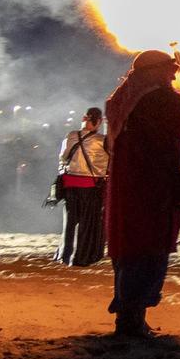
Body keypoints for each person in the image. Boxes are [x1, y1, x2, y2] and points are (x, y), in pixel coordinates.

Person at [103, 50, 180, 338]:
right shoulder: (157, 98)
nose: (173, 74)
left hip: (130, 185)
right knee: (147, 251)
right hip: (150, 186)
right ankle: (132, 321)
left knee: (131, 252)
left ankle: (130, 318)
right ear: (154, 71)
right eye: (168, 69)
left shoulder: (125, 97)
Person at [56, 107, 109, 267]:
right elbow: (110, 159)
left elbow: (63, 157)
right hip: (90, 186)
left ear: (84, 118)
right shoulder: (102, 140)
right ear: (99, 121)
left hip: (70, 184)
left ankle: (65, 254)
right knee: (88, 223)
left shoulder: (71, 135)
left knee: (70, 221)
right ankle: (83, 256)